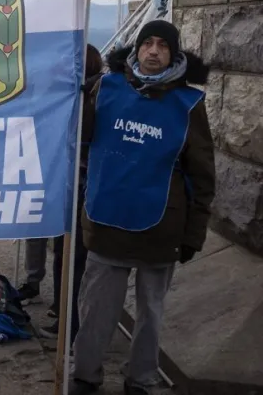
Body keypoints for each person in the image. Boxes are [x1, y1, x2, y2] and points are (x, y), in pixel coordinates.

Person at [70, 21, 215, 395]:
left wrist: (194, 233)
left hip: (161, 226)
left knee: (151, 313)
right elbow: (78, 138)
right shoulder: (104, 88)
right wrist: (74, 97)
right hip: (106, 219)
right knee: (95, 309)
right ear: (136, 49)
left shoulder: (188, 104)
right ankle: (85, 375)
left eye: (163, 45)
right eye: (147, 43)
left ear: (174, 54)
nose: (153, 51)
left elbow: (202, 176)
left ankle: (141, 378)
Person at [40, 43, 104, 339]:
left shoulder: (93, 95)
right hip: (68, 182)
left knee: (73, 256)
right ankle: (61, 308)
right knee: (63, 251)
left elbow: (84, 136)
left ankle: (70, 321)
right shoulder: (76, 94)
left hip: (82, 185)